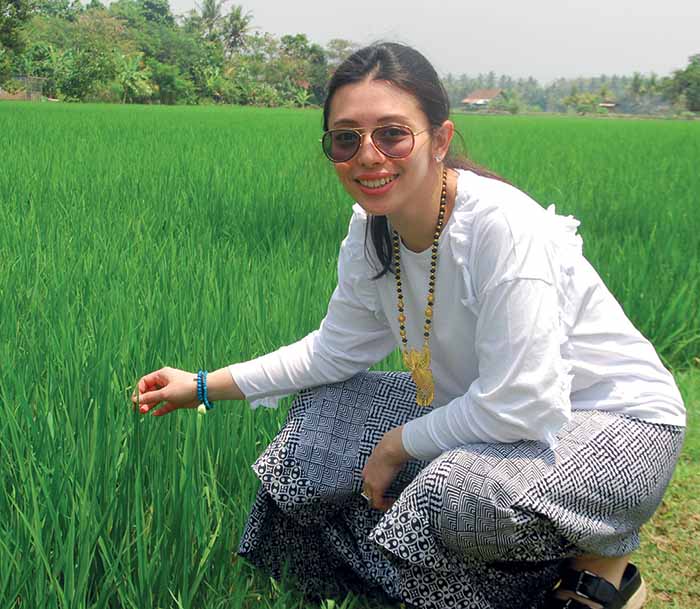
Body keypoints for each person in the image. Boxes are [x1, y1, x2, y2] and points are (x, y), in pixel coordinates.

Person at [132, 43, 686, 609]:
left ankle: (597, 564)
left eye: (392, 134)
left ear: (440, 140)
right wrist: (202, 385)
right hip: (496, 410)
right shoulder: (372, 229)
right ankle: (495, 567)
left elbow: (521, 401)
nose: (368, 156)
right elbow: (331, 353)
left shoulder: (502, 228)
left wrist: (398, 445)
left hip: (620, 425)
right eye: (346, 139)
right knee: (322, 415)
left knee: (461, 495)